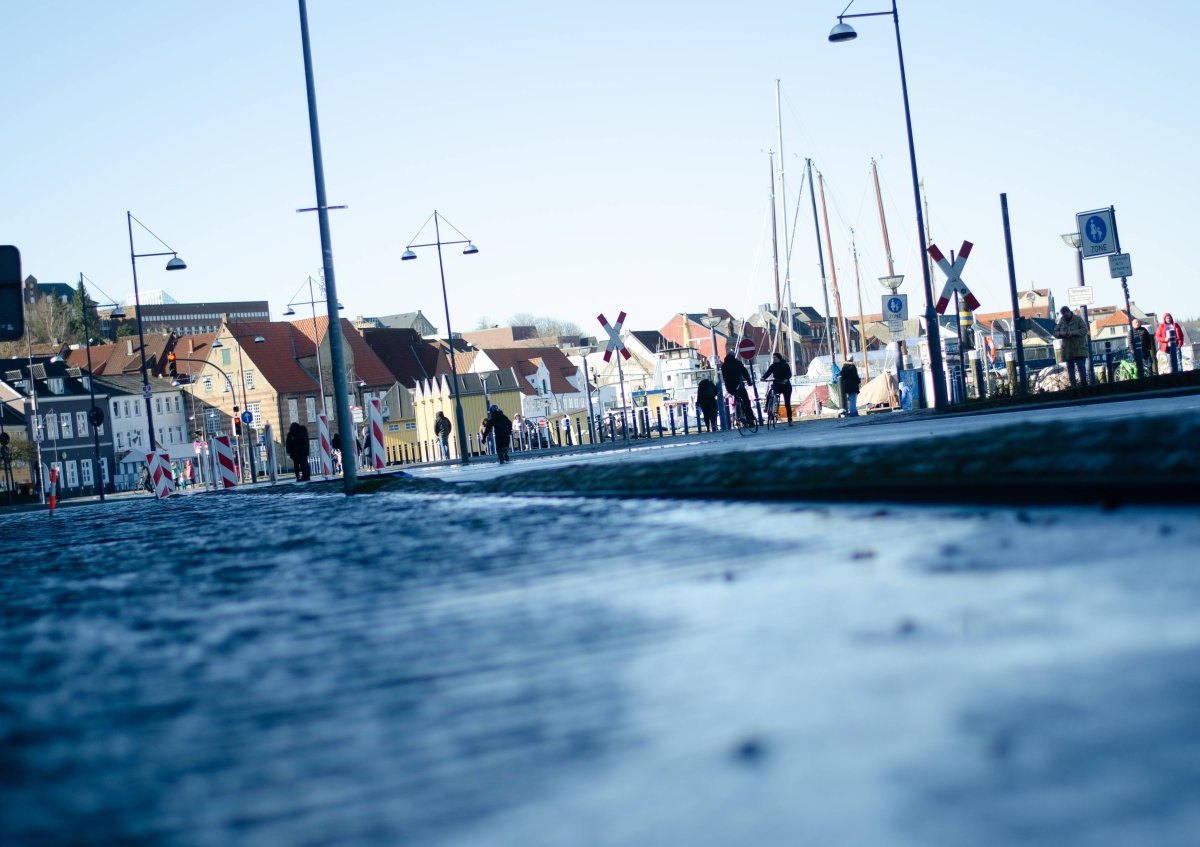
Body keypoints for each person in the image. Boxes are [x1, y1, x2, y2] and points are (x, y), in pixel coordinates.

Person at [1054, 305, 1089, 386]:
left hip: (1079, 349)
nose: (1065, 316)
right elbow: (1055, 333)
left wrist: (1073, 333)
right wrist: (1062, 334)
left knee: (1081, 367)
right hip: (1068, 351)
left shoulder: (1078, 319)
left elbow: (1084, 330)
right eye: (1063, 315)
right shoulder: (1061, 321)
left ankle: (1084, 384)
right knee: (1070, 369)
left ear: (1069, 312)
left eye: (1066, 314)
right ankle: (1073, 385)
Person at [720, 351, 753, 426]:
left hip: (730, 387)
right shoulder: (738, 363)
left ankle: (738, 415)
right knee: (746, 401)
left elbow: (725, 378)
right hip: (739, 385)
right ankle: (750, 418)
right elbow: (745, 373)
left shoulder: (724, 366)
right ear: (734, 356)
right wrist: (749, 382)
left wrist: (728, 388)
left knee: (736, 399)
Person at [762, 352, 793, 425]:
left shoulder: (785, 365)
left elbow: (789, 374)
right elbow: (768, 373)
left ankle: (790, 420)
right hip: (777, 384)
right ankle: (767, 407)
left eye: (775, 358)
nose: (774, 359)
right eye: (773, 358)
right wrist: (763, 377)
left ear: (779, 358)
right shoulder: (773, 366)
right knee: (770, 392)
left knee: (787, 404)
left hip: (785, 385)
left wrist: (786, 379)